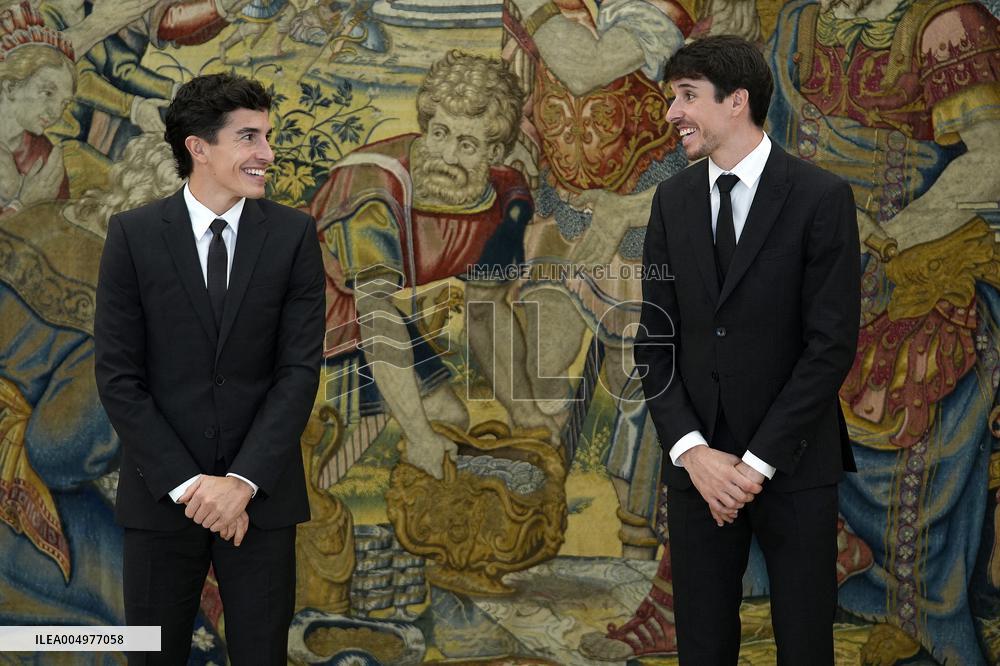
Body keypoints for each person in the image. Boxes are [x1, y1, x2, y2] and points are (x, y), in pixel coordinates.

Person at [766, 0, 1000, 663]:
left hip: (916, 253)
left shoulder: (947, 23)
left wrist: (892, 234)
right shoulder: (800, 21)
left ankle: (917, 609)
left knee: (905, 387)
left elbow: (992, 158)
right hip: (809, 256)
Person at [633, 35, 860, 664]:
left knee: (805, 647)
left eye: (686, 96)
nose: (672, 113)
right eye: (672, 98)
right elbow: (653, 343)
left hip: (794, 465)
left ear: (738, 101)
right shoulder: (671, 201)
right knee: (702, 650)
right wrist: (694, 454)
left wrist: (755, 464)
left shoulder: (821, 198)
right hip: (697, 473)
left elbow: (830, 345)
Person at [94, 73, 325, 665]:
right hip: (161, 497)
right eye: (249, 137)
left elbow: (298, 371)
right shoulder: (133, 236)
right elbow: (119, 378)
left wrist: (240, 484)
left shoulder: (294, 235)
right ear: (198, 147)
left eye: (267, 137)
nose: (266, 154)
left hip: (261, 504)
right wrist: (193, 488)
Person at [307, 50, 533, 483]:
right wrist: (419, 435)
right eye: (440, 133)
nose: (447, 155)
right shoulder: (374, 186)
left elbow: (487, 314)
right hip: (315, 306)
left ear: (495, 151)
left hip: (371, 313)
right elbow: (373, 313)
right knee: (436, 419)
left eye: (467, 145)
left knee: (448, 420)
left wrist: (524, 411)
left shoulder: (501, 197)